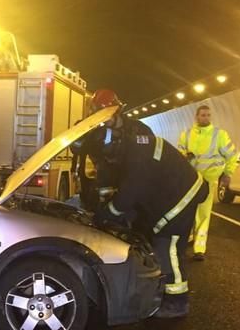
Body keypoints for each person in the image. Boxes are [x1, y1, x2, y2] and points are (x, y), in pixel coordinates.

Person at [84, 89, 209, 318]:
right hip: (162, 191)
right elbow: (107, 171)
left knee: (168, 245)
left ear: (116, 110)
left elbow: (135, 182)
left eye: (105, 114)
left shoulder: (138, 135)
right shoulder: (106, 137)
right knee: (153, 238)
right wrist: (103, 200)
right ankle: (158, 291)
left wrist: (113, 210)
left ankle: (177, 302)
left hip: (181, 192)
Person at [178, 105, 237, 261]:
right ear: (196, 117)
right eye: (203, 115)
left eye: (208, 115)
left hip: (208, 181)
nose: (206, 117)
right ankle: (187, 239)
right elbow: (179, 153)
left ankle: (199, 248)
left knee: (203, 214)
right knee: (187, 212)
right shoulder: (187, 134)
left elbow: (231, 156)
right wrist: (185, 155)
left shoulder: (220, 135)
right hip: (190, 180)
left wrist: (228, 173)